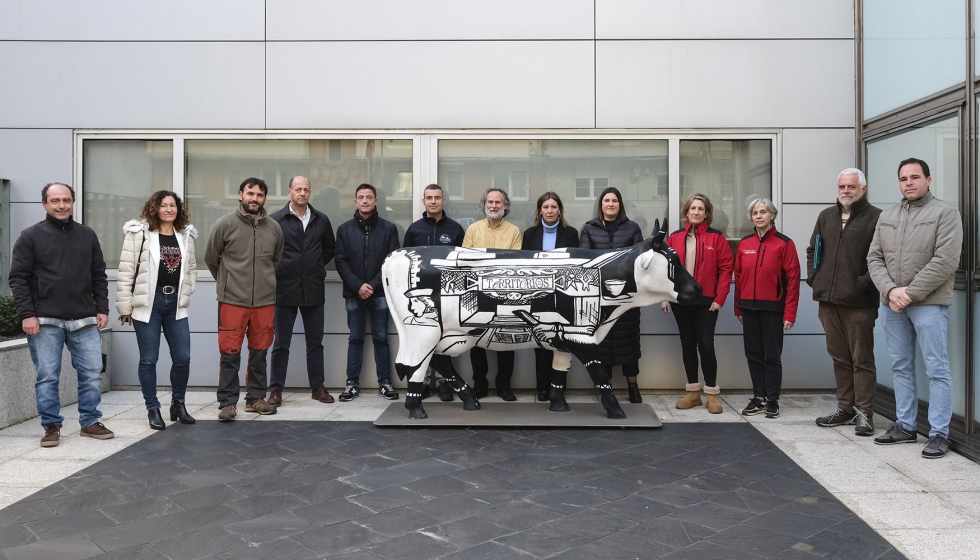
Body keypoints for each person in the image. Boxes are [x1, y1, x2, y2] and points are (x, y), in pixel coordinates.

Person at [868, 158, 963, 459]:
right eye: (903, 178)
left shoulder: (945, 212)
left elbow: (946, 260)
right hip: (892, 303)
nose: (908, 182)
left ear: (928, 180)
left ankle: (938, 434)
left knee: (937, 369)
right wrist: (890, 290)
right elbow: (874, 259)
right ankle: (905, 426)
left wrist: (908, 293)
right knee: (901, 366)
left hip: (929, 304)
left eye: (915, 177)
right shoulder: (888, 215)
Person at [8, 182, 114, 447]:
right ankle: (51, 426)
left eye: (66, 200)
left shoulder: (87, 235)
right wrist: (27, 314)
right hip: (44, 320)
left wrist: (102, 308)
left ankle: (89, 422)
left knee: (91, 372)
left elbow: (98, 274)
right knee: (48, 375)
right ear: (44, 204)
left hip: (84, 318)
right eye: (55, 201)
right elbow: (18, 278)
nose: (61, 205)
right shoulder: (30, 236)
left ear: (72, 202)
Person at [808, 169, 882, 436]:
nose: (846, 190)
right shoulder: (826, 216)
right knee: (839, 357)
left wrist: (861, 285)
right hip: (828, 301)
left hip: (860, 304)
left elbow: (884, 258)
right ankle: (845, 409)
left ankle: (864, 413)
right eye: (842, 186)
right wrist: (816, 279)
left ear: (863, 189)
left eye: (852, 186)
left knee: (861, 359)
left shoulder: (876, 217)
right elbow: (813, 249)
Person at [116, 191, 198, 430]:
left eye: (173, 205)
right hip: (148, 304)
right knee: (149, 359)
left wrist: (188, 288)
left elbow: (191, 267)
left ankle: (178, 404)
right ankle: (152, 408)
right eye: (164, 205)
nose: (169, 209)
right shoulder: (139, 234)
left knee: (183, 357)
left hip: (175, 304)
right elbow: (126, 271)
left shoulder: (185, 236)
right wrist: (125, 306)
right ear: (155, 208)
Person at [205, 177, 284, 421]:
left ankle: (255, 399)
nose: (254, 199)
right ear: (240, 195)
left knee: (260, 352)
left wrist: (265, 283)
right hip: (232, 301)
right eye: (250, 193)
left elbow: (276, 261)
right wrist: (228, 283)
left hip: (264, 301)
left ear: (264, 199)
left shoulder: (274, 228)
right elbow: (211, 258)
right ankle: (228, 403)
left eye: (259, 195)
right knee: (230, 353)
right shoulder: (224, 224)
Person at [268, 176, 336, 407]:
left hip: (313, 289)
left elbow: (328, 249)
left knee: (315, 342)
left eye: (306, 189)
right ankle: (275, 390)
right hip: (284, 289)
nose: (302, 193)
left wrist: (315, 266)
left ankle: (318, 387)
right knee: (281, 344)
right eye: (298, 189)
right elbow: (269, 253)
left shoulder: (321, 219)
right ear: (289, 192)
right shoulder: (275, 220)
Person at [662, 193, 733, 414]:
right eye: (692, 208)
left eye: (700, 209)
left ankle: (711, 393)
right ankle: (693, 393)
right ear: (687, 211)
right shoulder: (674, 238)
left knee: (706, 345)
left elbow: (725, 269)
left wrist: (720, 298)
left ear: (706, 213)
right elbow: (666, 270)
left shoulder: (716, 237)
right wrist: (665, 295)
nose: (696, 212)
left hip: (707, 302)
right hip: (681, 301)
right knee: (687, 344)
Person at [734, 197, 800, 419]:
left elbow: (793, 280)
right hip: (749, 309)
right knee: (753, 354)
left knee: (771, 355)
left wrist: (789, 313)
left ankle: (772, 399)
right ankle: (758, 397)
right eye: (755, 213)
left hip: (773, 309)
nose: (759, 216)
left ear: (772, 215)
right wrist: (738, 309)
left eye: (763, 212)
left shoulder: (784, 243)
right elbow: (739, 278)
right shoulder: (745, 244)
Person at [335, 183, 401, 402]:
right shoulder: (344, 230)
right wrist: (357, 286)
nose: (365, 201)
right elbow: (341, 261)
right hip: (354, 294)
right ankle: (351, 383)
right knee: (355, 338)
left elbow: (391, 262)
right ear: (355, 201)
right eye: (361, 197)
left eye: (369, 197)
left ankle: (385, 383)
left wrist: (372, 285)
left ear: (376, 201)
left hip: (380, 293)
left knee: (381, 338)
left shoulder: (389, 229)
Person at [579, 186, 645, 403]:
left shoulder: (632, 228)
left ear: (620, 204)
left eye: (614, 201)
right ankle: (604, 387)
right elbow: (586, 261)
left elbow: (639, 260)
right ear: (601, 204)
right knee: (602, 343)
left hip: (627, 296)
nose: (610, 204)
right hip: (599, 297)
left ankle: (633, 387)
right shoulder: (589, 228)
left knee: (629, 343)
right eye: (606, 200)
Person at [403, 183, 466, 402]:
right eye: (429, 197)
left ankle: (445, 383)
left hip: (448, 295)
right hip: (422, 295)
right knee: (424, 337)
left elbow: (462, 262)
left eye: (437, 197)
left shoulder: (455, 229)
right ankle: (424, 383)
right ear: (423, 201)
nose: (433, 201)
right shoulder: (414, 229)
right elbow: (406, 263)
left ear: (443, 201)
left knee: (447, 338)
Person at [462, 187, 523, 400]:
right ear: (484, 205)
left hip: (506, 293)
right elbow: (467, 262)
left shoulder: (514, 231)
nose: (493, 206)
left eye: (498, 202)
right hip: (477, 293)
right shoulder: (472, 230)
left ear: (505, 206)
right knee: (476, 341)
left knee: (507, 339)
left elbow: (514, 265)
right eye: (490, 202)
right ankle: (479, 385)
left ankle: (504, 386)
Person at [522, 191, 579, 402]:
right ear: (540, 211)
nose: (550, 211)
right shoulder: (530, 234)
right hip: (537, 296)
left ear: (559, 210)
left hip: (563, 296)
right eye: (545, 207)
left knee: (562, 342)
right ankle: (543, 388)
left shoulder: (571, 233)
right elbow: (525, 266)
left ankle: (559, 386)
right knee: (541, 343)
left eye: (553, 207)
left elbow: (574, 265)